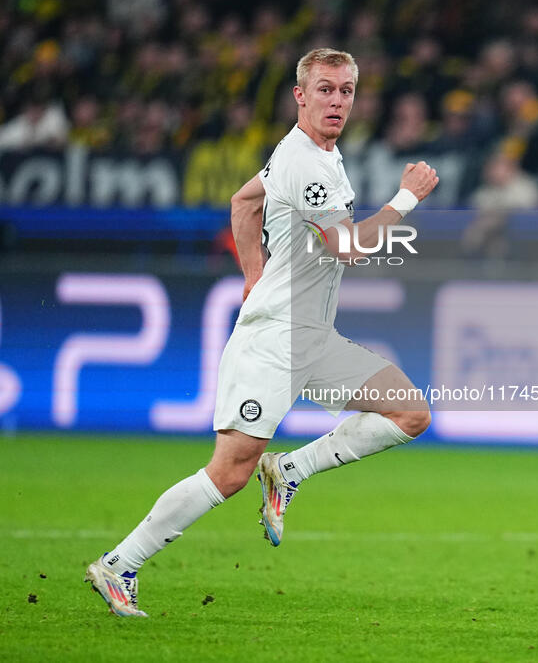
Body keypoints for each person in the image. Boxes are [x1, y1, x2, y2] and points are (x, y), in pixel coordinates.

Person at [84, 48, 439, 617]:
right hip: (274, 340)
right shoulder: (308, 162)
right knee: (228, 473)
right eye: (325, 89)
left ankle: (291, 468)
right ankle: (118, 564)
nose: (337, 101)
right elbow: (347, 248)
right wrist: (407, 199)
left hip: (312, 337)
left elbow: (244, 201)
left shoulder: (312, 153)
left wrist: (254, 272)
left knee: (409, 413)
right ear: (300, 94)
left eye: (346, 90)